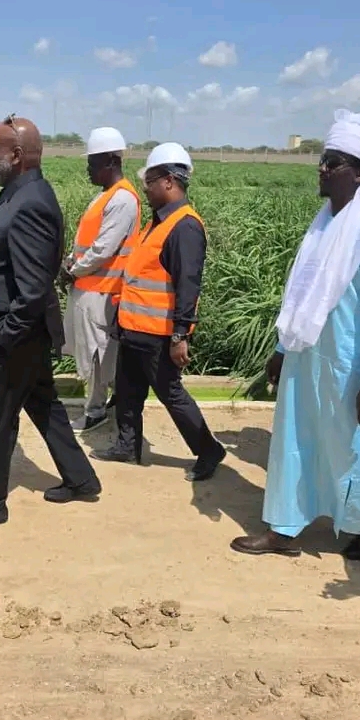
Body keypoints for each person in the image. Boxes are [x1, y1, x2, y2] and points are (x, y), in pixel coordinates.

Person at [231, 110, 360, 562]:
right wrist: (279, 349)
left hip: (353, 368)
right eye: (324, 160)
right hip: (306, 357)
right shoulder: (324, 224)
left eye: (334, 163)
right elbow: (301, 296)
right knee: (295, 443)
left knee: (355, 451)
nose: (322, 169)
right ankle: (284, 528)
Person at [0, 115, 101, 529]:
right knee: (44, 404)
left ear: (15, 155)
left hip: (15, 336)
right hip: (24, 334)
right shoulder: (18, 193)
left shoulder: (31, 202)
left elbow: (32, 289)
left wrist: (1, 338)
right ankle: (81, 479)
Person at [90, 142, 226, 481]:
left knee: (172, 394)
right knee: (128, 390)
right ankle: (127, 445)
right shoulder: (158, 223)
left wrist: (181, 335)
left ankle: (208, 450)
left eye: (150, 182)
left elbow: (188, 286)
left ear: (168, 181)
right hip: (134, 328)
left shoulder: (185, 226)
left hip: (158, 333)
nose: (146, 189)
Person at [60, 127, 141, 433]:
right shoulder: (105, 196)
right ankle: (107, 403)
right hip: (89, 287)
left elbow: (103, 249)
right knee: (93, 351)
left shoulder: (122, 200)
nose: (88, 169)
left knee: (97, 354)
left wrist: (72, 270)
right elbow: (87, 242)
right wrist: (71, 262)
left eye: (92, 163)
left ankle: (95, 411)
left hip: (103, 290)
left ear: (110, 161)